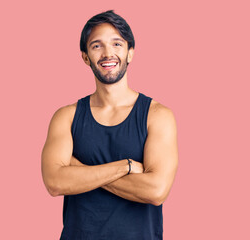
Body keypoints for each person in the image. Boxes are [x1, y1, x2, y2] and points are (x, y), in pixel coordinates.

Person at [41, 10, 178, 240]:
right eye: (97, 46)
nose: (108, 53)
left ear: (130, 53)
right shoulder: (66, 117)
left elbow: (156, 191)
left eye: (117, 44)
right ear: (85, 57)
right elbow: (54, 182)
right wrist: (124, 166)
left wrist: (79, 170)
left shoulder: (157, 116)